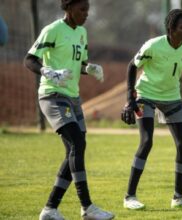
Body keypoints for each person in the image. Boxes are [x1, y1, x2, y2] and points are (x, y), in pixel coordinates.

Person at [24, 0, 114, 219]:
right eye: (82, 9)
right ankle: (87, 207)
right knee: (78, 143)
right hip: (53, 96)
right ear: (68, 8)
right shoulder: (53, 30)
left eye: (87, 10)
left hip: (73, 98)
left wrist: (89, 68)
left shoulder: (82, 32)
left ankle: (50, 209)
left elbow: (79, 63)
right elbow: (29, 59)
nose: (86, 14)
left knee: (75, 150)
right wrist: (47, 72)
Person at [120, 9, 182, 209]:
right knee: (147, 141)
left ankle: (178, 198)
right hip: (146, 95)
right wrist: (129, 99)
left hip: (171, 98)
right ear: (171, 28)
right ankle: (129, 197)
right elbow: (132, 66)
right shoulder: (153, 45)